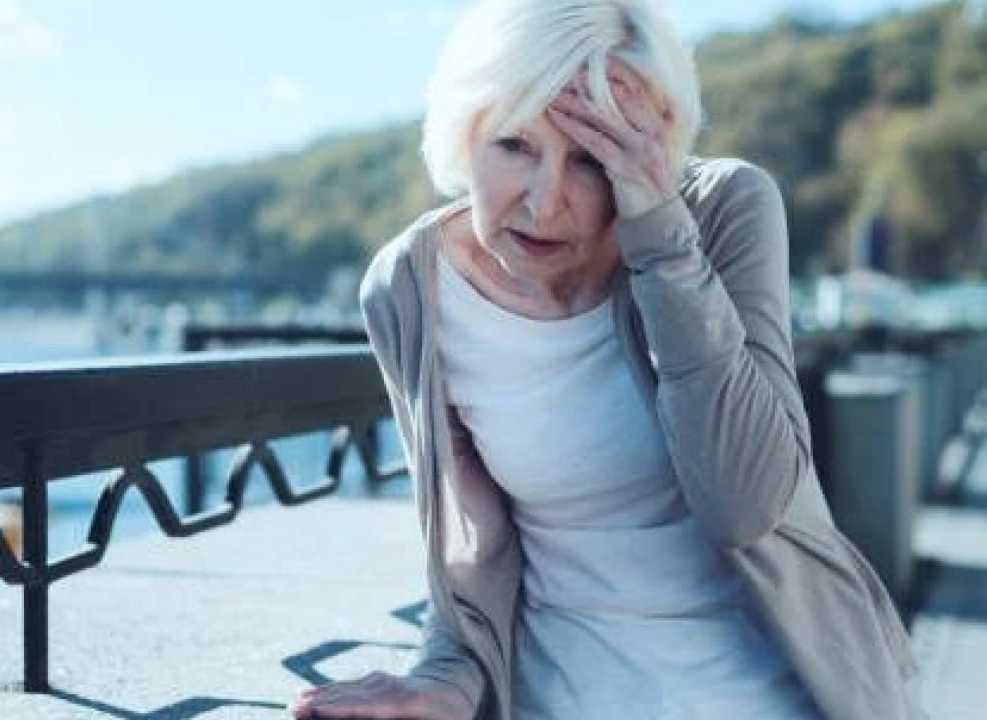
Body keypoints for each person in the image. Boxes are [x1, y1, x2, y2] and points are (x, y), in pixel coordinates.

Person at [288, 0, 925, 718]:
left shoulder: (724, 212)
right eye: (514, 145)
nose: (544, 200)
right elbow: (471, 545)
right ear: (463, 131)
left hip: (783, 691)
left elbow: (744, 504)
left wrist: (661, 233)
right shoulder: (411, 287)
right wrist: (445, 681)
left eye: (593, 158)